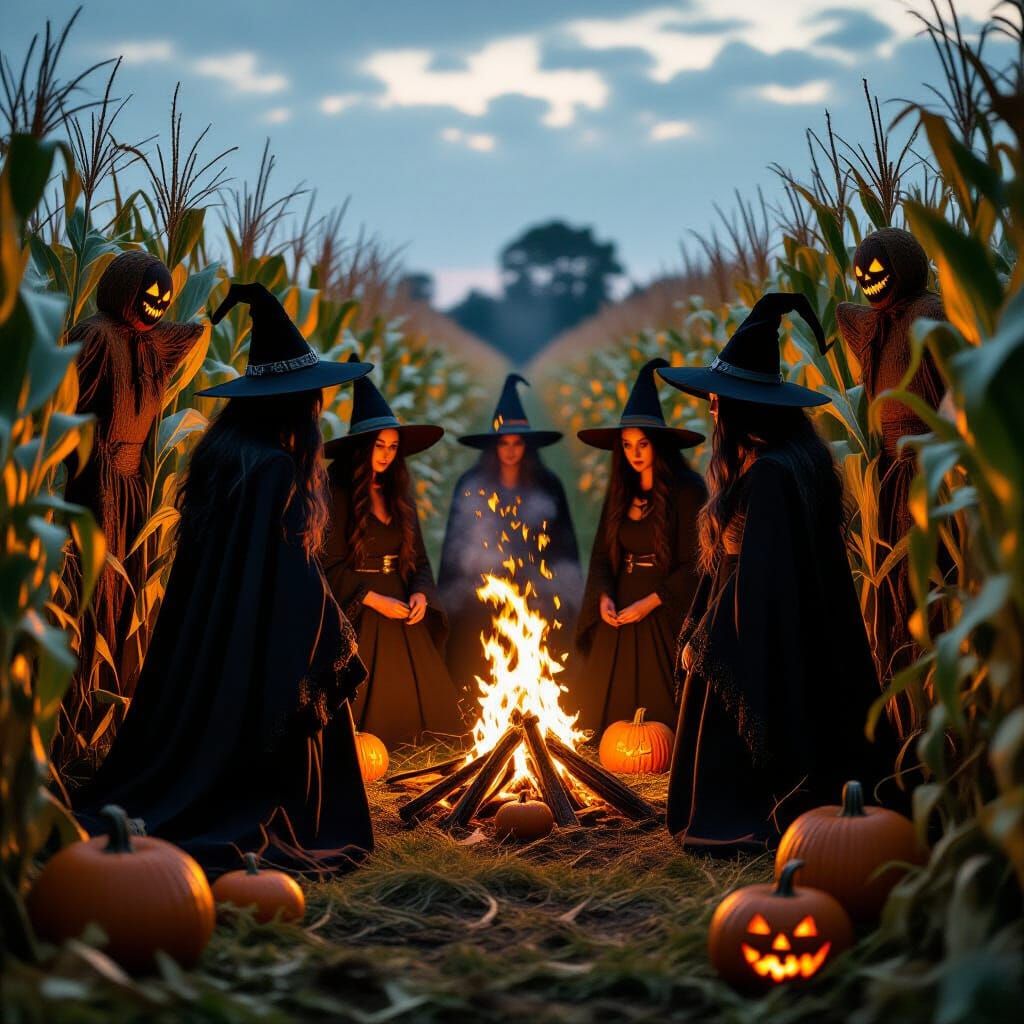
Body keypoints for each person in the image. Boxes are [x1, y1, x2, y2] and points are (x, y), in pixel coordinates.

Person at [71, 283, 375, 877]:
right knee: (306, 704)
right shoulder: (277, 468)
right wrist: (332, 634)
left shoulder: (223, 454)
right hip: (257, 646)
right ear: (295, 403)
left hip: (209, 642)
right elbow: (289, 582)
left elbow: (221, 571)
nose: (318, 408)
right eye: (313, 398)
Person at [658, 293, 892, 851]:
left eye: (719, 402)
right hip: (805, 632)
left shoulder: (769, 474)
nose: (713, 412)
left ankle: (737, 816)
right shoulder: (801, 460)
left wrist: (705, 637)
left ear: (743, 408)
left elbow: (754, 582)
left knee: (724, 711)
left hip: (758, 629)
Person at [57, 251, 205, 770]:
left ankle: (111, 724)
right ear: (121, 289)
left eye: (164, 300)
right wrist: (91, 471)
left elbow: (185, 333)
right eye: (148, 297)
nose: (156, 307)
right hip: (96, 481)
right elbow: (65, 404)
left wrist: (220, 311)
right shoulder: (95, 334)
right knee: (94, 593)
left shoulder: (149, 341)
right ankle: (74, 728)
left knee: (124, 599)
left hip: (134, 486)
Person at [322, 363, 466, 747]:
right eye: (378, 446)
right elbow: (327, 564)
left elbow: (417, 558)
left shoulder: (398, 494)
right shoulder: (334, 493)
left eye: (392, 447)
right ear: (361, 447)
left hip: (401, 599)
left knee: (435, 717)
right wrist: (374, 600)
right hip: (360, 601)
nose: (385, 455)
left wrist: (420, 592)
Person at [574, 358, 706, 735]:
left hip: (664, 607)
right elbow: (602, 555)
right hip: (620, 603)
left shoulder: (687, 489)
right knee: (606, 711)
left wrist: (649, 603)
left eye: (643, 443)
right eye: (627, 445)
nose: (634, 453)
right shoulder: (620, 491)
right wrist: (603, 597)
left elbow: (696, 564)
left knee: (661, 713)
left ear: (658, 444)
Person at [438, 374, 582, 691]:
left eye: (518, 443)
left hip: (536, 591)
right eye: (504, 442)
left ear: (527, 447)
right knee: (481, 658)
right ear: (494, 447)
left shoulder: (547, 484)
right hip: (483, 591)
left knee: (533, 652)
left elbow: (564, 544)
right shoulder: (471, 485)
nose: (511, 451)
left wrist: (560, 590)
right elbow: (455, 548)